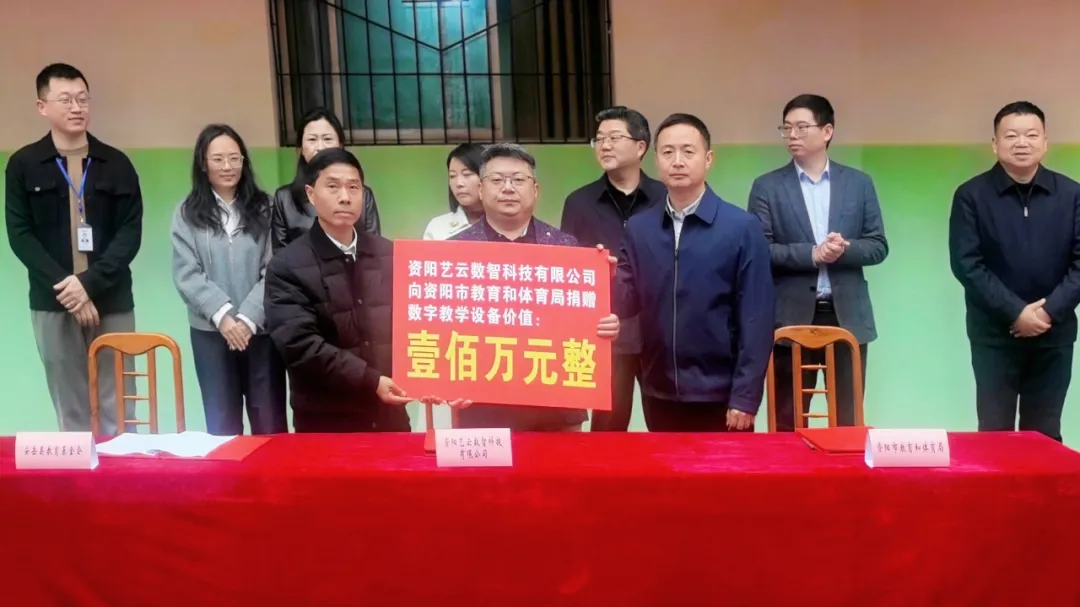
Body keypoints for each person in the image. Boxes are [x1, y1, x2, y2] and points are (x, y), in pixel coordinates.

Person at [4, 63, 141, 435]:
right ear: (42, 106)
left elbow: (129, 235)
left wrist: (88, 284)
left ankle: (120, 470)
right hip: (53, 302)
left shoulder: (117, 164)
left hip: (111, 299)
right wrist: (69, 290)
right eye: (65, 99)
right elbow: (20, 236)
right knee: (71, 406)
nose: (77, 107)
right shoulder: (23, 165)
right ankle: (79, 473)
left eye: (83, 98)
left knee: (119, 403)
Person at [615, 113, 774, 432]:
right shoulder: (640, 229)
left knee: (725, 468)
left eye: (688, 151)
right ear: (656, 160)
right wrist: (602, 276)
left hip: (721, 395)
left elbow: (757, 318)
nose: (677, 161)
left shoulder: (742, 228)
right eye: (668, 152)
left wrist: (745, 397)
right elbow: (627, 301)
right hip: (658, 391)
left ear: (708, 158)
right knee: (665, 467)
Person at [450, 143, 621, 431]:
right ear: (480, 189)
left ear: (535, 190)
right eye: (497, 180)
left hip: (557, 411)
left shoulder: (568, 249)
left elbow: (586, 327)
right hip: (482, 410)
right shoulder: (453, 253)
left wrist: (605, 325)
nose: (508, 188)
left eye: (518, 179)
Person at [747, 94, 888, 431]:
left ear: (827, 131)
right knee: (788, 420)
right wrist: (812, 254)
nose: (792, 135)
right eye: (786, 128)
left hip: (846, 315)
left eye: (801, 127)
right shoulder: (767, 186)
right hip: (789, 315)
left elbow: (878, 246)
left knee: (847, 419)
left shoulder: (858, 183)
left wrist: (844, 249)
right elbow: (760, 251)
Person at [949, 101, 1080, 443]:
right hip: (994, 335)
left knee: (1045, 434)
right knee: (995, 434)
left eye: (1031, 135)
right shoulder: (971, 196)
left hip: (1054, 333)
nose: (1022, 143)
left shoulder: (1072, 195)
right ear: (995, 144)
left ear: (1045, 142)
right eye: (1011, 136)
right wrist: (1016, 312)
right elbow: (967, 264)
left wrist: (1047, 312)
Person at [265, 148, 411, 432]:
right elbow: (301, 346)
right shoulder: (287, 266)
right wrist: (371, 381)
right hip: (325, 422)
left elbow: (415, 327)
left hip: (389, 418)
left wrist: (433, 379)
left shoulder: (390, 255)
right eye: (333, 186)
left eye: (353, 187)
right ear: (311, 194)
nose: (345, 197)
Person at [171, 124, 286, 436]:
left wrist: (248, 319)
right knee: (222, 425)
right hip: (211, 333)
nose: (227, 166)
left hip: (261, 332)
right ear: (202, 163)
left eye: (234, 158)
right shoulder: (186, 213)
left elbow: (274, 267)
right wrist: (223, 317)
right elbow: (187, 273)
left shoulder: (266, 207)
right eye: (218, 159)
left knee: (270, 422)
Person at [561, 106, 666, 432]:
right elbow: (569, 272)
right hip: (606, 334)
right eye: (599, 139)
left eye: (614, 137)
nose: (604, 145)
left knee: (668, 428)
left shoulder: (665, 197)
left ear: (640, 146)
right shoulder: (578, 203)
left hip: (660, 332)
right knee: (607, 429)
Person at [271, 108, 380, 252]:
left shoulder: (363, 195)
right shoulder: (284, 198)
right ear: (301, 148)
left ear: (340, 145)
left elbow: (374, 249)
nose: (320, 147)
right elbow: (280, 254)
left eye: (327, 139)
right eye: (312, 139)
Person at [423, 143, 486, 240]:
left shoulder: (507, 226)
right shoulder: (437, 228)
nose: (459, 183)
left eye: (467, 174)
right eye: (452, 176)